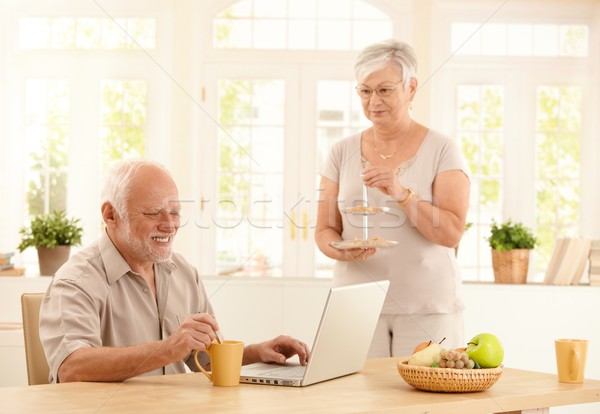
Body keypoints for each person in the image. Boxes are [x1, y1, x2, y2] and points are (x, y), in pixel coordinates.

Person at [39, 160, 310, 383]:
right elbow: (72, 368)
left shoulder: (183, 273)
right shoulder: (76, 281)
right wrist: (168, 349)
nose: (169, 225)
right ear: (111, 215)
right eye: (153, 213)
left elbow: (203, 360)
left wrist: (256, 353)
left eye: (175, 212)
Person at [315, 39, 470, 358]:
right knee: (360, 403)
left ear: (411, 88)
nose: (374, 101)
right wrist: (341, 252)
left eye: (385, 90)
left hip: (427, 306)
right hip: (356, 302)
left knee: (425, 403)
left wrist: (401, 193)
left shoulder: (442, 149)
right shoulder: (341, 151)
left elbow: (452, 232)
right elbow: (324, 230)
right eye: (365, 91)